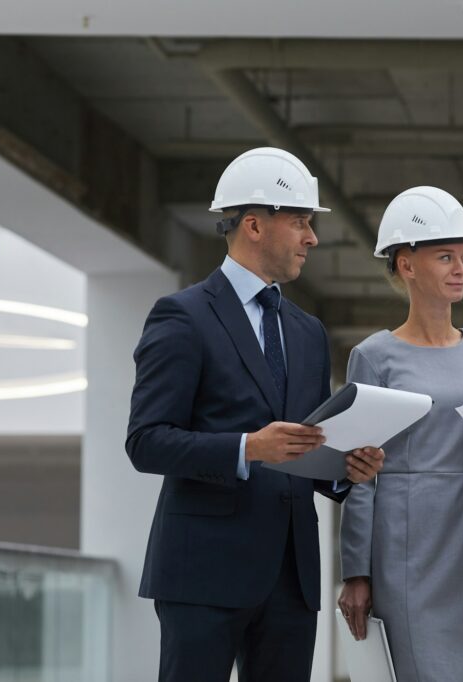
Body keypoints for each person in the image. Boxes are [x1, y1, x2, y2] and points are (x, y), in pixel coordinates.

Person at [125, 147, 385, 682]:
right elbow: (146, 441)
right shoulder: (183, 316)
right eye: (300, 223)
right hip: (202, 577)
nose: (312, 238)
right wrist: (247, 448)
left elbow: (309, 444)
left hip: (289, 581)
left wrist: (345, 469)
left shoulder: (308, 333)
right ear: (253, 226)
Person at [338, 186, 463, 682]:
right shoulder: (374, 356)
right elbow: (359, 474)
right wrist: (357, 570)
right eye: (445, 256)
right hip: (404, 544)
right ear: (407, 265)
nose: (461, 268)